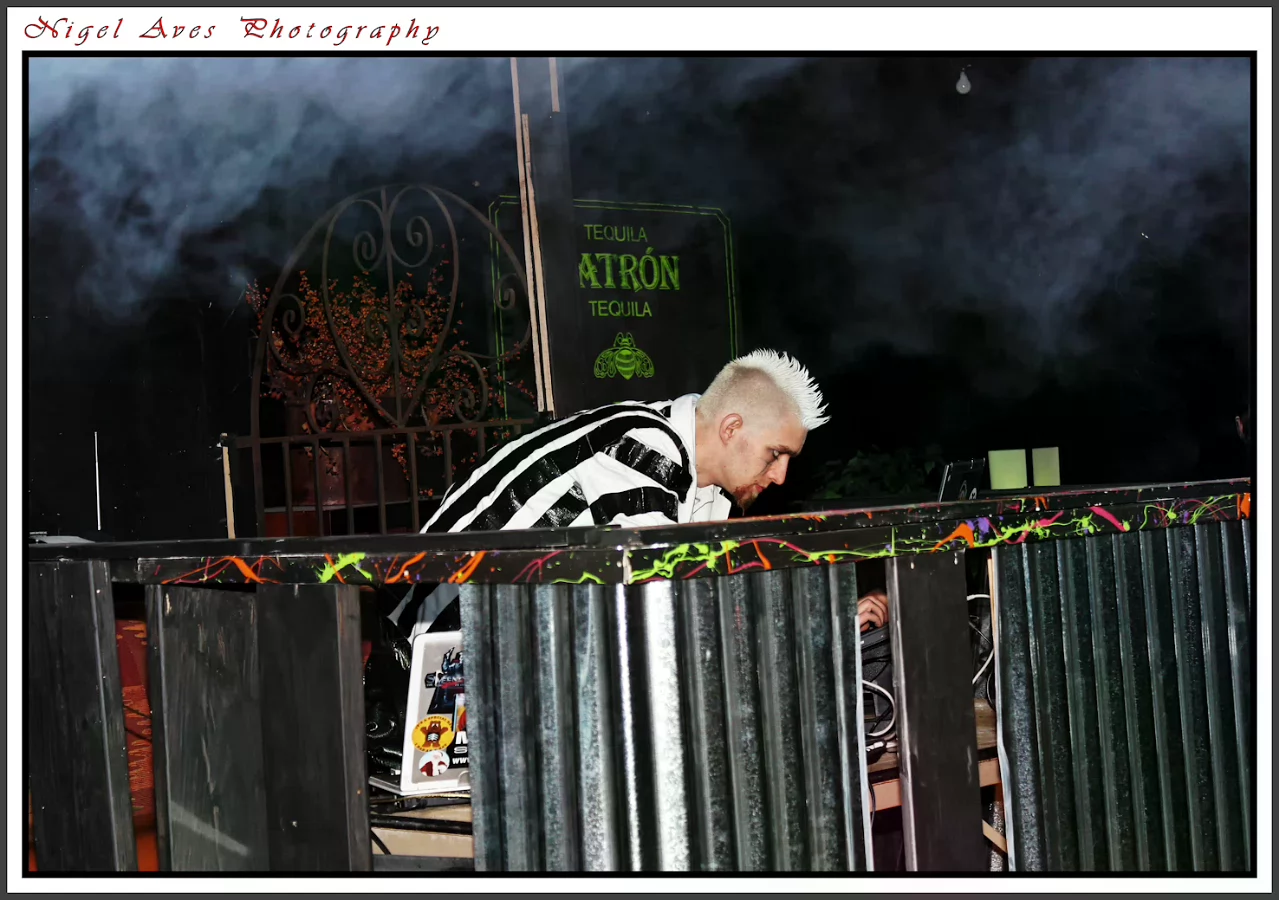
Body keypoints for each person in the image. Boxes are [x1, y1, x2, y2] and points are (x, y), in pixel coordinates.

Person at [389, 348, 889, 633]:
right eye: (775, 454)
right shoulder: (644, 452)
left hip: (506, 646)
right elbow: (665, 621)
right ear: (732, 428)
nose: (780, 476)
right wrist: (817, 630)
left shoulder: (704, 487)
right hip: (435, 651)